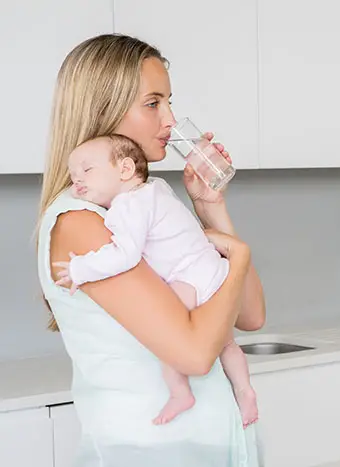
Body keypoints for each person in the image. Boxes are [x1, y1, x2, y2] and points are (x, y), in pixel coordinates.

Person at [36, 33, 265, 466]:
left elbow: (249, 316)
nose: (171, 119)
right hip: (154, 451)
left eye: (169, 101)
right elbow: (195, 355)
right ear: (103, 110)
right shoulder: (81, 223)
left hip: (213, 444)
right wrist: (239, 260)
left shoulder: (144, 201)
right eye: (153, 102)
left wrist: (210, 207)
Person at [51, 134, 259, 428]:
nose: (77, 182)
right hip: (212, 268)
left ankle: (179, 392)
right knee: (226, 344)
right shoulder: (157, 188)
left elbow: (125, 254)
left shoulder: (127, 205)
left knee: (172, 337)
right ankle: (244, 389)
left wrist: (80, 269)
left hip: (188, 279)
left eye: (87, 171)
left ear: (124, 170)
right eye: (73, 177)